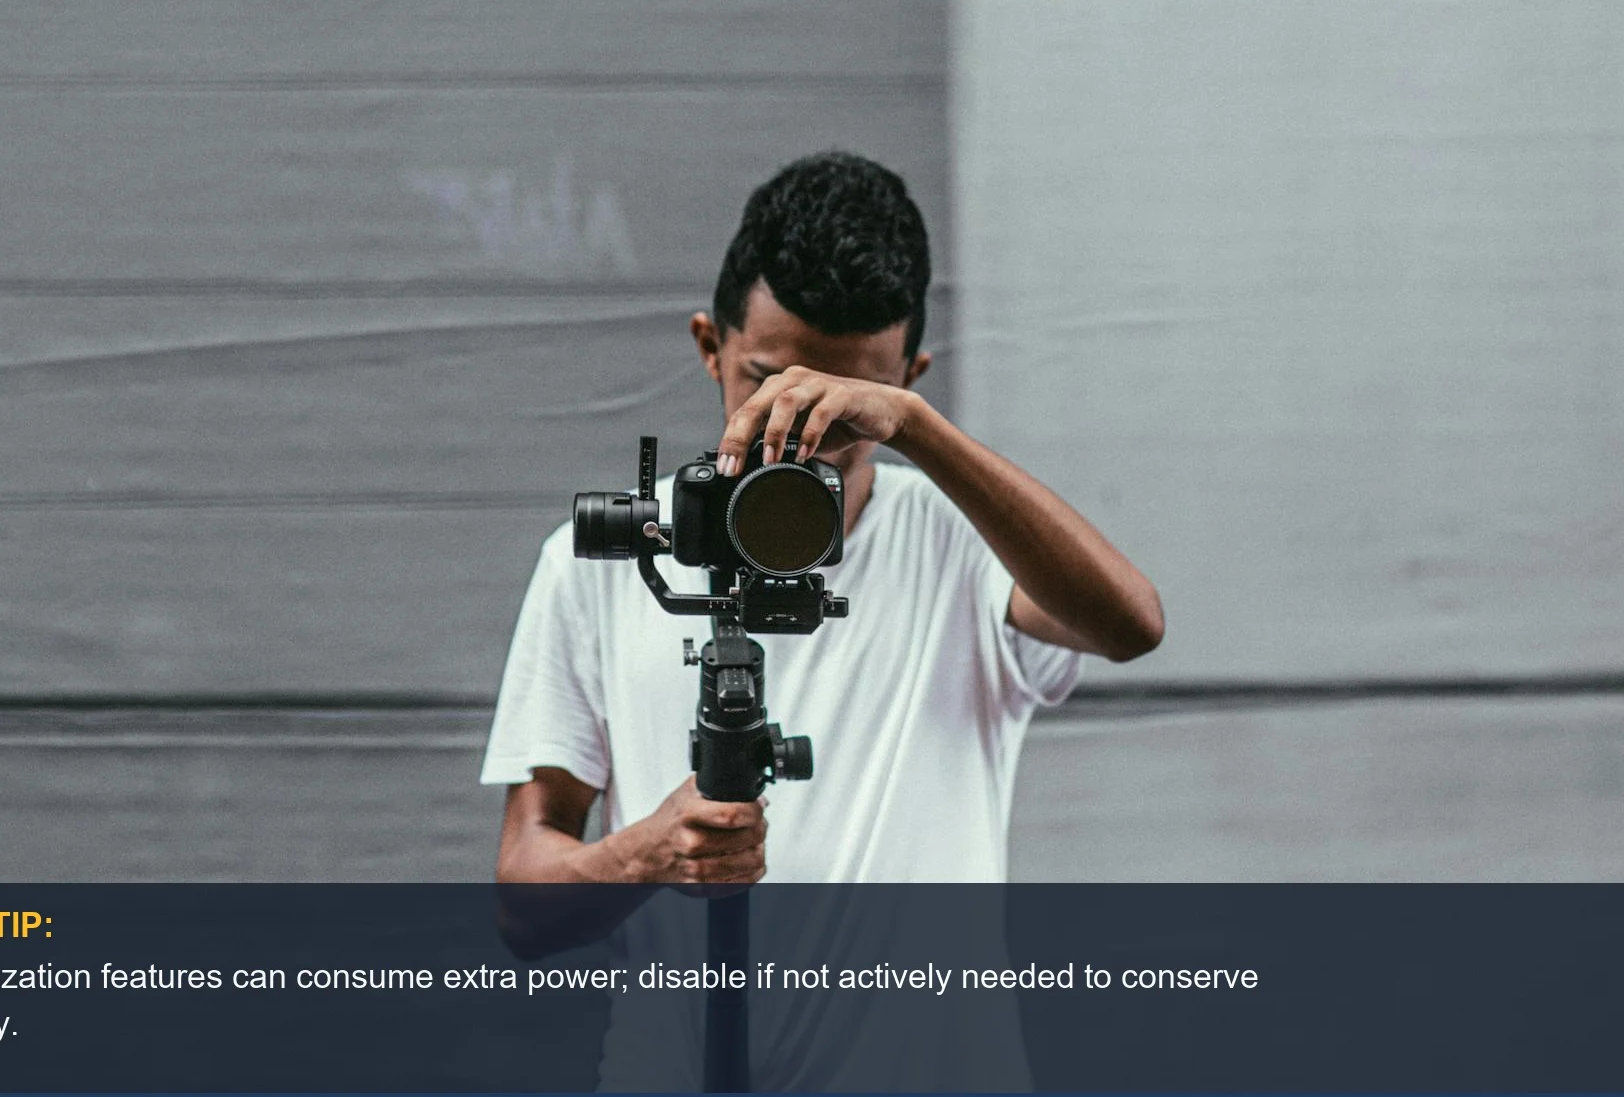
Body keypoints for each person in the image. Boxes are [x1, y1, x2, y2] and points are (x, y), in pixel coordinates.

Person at [481, 150, 1163, 887]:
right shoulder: (600, 567)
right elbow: (524, 895)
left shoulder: (963, 540)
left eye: (853, 401)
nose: (805, 428)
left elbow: (1131, 626)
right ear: (711, 347)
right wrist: (641, 855)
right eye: (771, 385)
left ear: (909, 381)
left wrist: (919, 433)